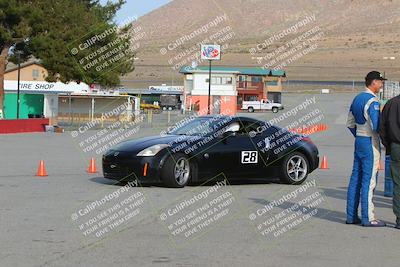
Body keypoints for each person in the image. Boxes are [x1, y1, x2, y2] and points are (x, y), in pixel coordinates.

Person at [346, 71, 387, 227]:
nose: (382, 84)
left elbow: (350, 124)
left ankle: (351, 216)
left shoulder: (357, 98)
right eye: (380, 82)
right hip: (370, 141)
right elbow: (377, 126)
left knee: (355, 178)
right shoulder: (373, 101)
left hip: (359, 141)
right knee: (369, 181)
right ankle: (368, 217)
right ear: (374, 82)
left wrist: (359, 136)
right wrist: (385, 142)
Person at [379, 90, 400, 229]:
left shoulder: (391, 103)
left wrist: (389, 145)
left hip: (395, 147)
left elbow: (382, 128)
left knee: (398, 185)